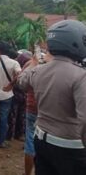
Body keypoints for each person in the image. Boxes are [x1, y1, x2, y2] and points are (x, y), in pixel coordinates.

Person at [18, 20, 86, 174]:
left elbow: (21, 82)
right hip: (71, 148)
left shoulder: (38, 71)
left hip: (42, 141)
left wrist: (33, 64)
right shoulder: (81, 76)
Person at [6, 52, 31, 141]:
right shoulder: (30, 69)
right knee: (21, 115)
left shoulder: (16, 68)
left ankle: (9, 134)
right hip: (24, 95)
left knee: (13, 114)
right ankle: (19, 134)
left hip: (15, 94)